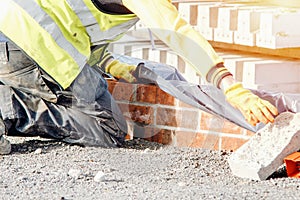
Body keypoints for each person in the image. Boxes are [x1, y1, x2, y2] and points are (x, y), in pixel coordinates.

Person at [0, 0, 278, 155]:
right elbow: (176, 31)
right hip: (31, 44)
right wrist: (232, 88)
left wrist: (111, 64)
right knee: (107, 129)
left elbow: (79, 21)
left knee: (89, 88)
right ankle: (5, 108)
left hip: (9, 32)